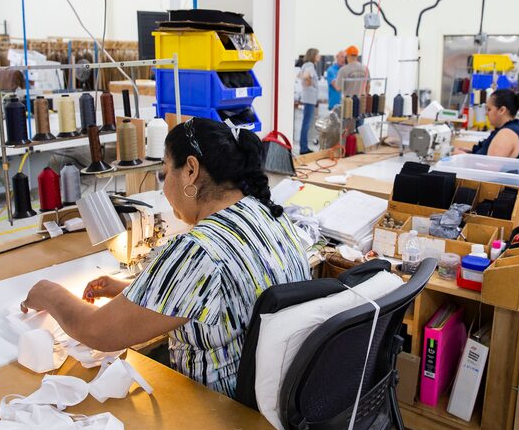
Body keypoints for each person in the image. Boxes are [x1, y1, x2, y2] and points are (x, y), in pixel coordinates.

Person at [20, 118, 310, 398]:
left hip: (222, 413)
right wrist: (130, 293)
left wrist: (48, 292)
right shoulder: (269, 216)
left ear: (191, 170)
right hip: (274, 398)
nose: (163, 186)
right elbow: (227, 301)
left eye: (165, 171)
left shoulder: (199, 251)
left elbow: (97, 332)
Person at [468, 89, 519, 159]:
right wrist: (467, 153)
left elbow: (489, 166)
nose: (486, 114)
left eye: (489, 109)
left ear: (502, 110)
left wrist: (463, 157)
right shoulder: (513, 128)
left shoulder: (506, 135)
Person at [298, 48, 320, 154]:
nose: (319, 56)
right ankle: (303, 148)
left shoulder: (306, 65)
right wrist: (310, 82)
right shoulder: (310, 66)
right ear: (313, 55)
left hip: (308, 98)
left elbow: (300, 76)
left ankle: (304, 147)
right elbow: (305, 76)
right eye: (317, 54)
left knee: (306, 123)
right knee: (306, 124)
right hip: (309, 98)